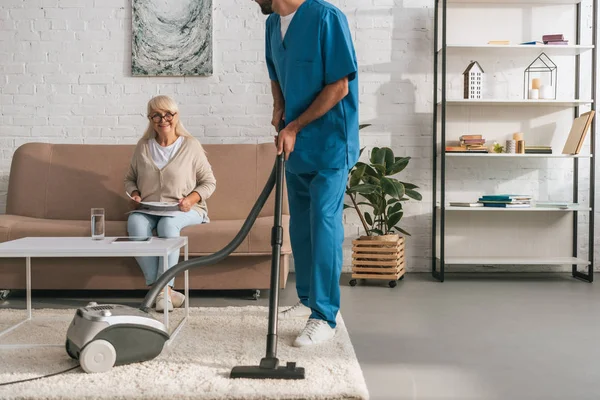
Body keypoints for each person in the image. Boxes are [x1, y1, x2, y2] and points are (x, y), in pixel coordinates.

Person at [253, 0, 359, 347]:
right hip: (295, 144)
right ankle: (308, 301)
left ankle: (325, 316)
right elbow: (275, 73)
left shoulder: (327, 18)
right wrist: (279, 108)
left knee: (324, 223)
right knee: (299, 225)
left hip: (330, 143)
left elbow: (339, 85)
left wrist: (295, 126)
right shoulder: (273, 26)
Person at [124, 95, 216, 312]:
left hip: (186, 209)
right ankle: (163, 292)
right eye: (156, 114)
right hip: (149, 209)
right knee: (135, 223)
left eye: (168, 114)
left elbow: (209, 182)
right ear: (149, 118)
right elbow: (129, 179)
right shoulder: (143, 146)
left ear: (176, 116)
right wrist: (135, 194)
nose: (162, 119)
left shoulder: (190, 146)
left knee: (167, 225)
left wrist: (191, 199)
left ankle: (162, 291)